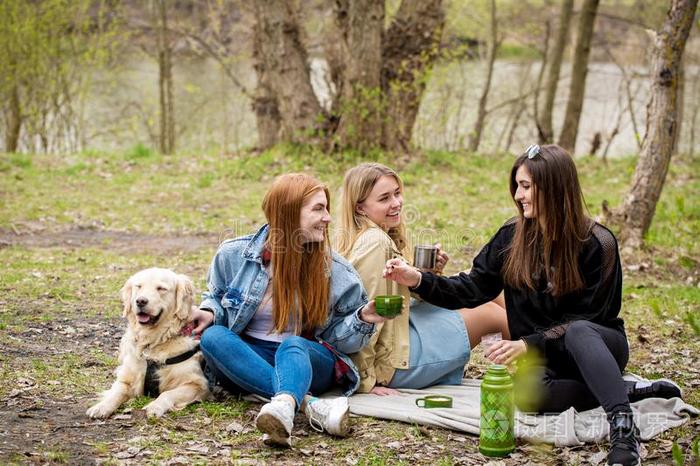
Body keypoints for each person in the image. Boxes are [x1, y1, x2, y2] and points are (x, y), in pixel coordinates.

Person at [382, 145, 682, 466]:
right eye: (517, 186)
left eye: (526, 186)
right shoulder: (510, 238)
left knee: (579, 330)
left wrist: (528, 344)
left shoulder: (597, 243)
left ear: (554, 188)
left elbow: (593, 316)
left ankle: (623, 429)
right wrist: (419, 280)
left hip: (598, 345)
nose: (518, 195)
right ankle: (626, 391)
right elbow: (470, 289)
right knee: (529, 396)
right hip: (542, 357)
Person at [190, 173, 385, 448]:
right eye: (318, 209)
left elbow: (342, 341)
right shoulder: (233, 254)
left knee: (294, 344)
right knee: (213, 337)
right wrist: (209, 312)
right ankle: (306, 404)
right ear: (288, 213)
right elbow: (216, 297)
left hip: (304, 359)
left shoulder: (337, 271)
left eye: (326, 208)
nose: (328, 217)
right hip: (249, 354)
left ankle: (284, 399)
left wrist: (362, 319)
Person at [335, 162, 509, 395]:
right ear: (359, 208)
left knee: (488, 290)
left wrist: (427, 276)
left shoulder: (377, 234)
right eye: (384, 198)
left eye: (397, 193)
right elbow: (366, 313)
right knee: (492, 315)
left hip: (402, 328)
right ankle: (539, 370)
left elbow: (397, 291)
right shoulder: (374, 243)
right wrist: (366, 380)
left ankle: (537, 355)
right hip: (391, 363)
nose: (396, 203)